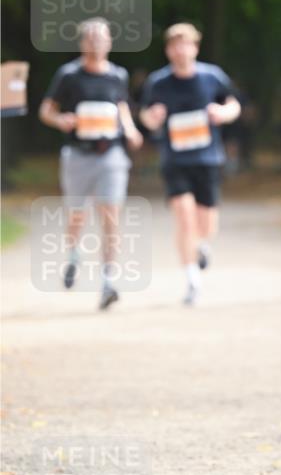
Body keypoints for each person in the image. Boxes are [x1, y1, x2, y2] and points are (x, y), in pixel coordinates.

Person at [39, 17, 143, 310]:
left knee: (110, 215)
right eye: (91, 38)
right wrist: (60, 119)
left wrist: (131, 130)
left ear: (109, 42)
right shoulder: (69, 75)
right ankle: (74, 255)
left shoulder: (118, 75)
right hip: (78, 155)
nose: (96, 43)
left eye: (102, 38)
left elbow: (121, 106)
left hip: (111, 155)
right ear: (82, 42)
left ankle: (108, 281)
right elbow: (46, 110)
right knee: (77, 215)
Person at [139, 22, 240, 305]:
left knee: (206, 221)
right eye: (175, 45)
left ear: (195, 47)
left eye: (185, 44)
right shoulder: (158, 82)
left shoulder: (212, 77)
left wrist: (223, 112)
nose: (180, 50)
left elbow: (234, 104)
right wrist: (152, 118)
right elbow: (145, 116)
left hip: (207, 158)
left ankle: (203, 245)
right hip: (175, 159)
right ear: (168, 50)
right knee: (184, 217)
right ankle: (192, 280)